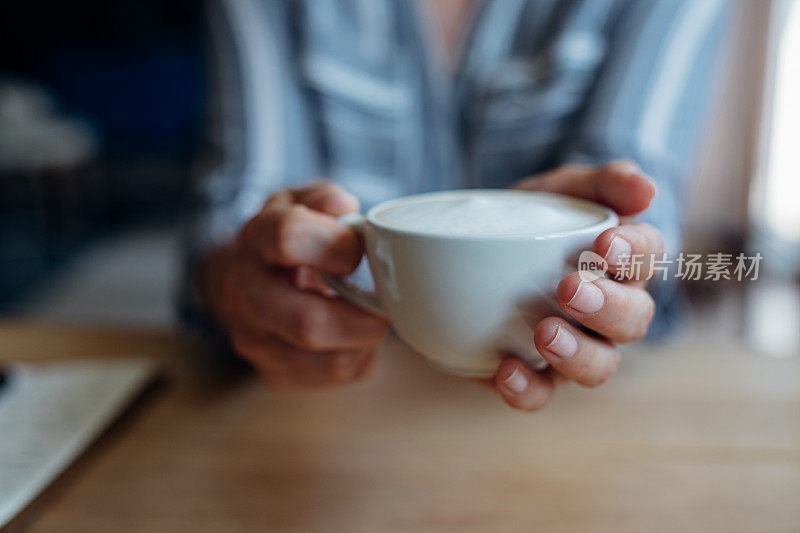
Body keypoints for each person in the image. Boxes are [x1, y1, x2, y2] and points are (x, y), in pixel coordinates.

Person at [183, 0, 729, 411]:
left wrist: (624, 265)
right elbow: (241, 200)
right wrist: (244, 278)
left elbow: (637, 189)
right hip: (329, 409)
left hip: (589, 415)